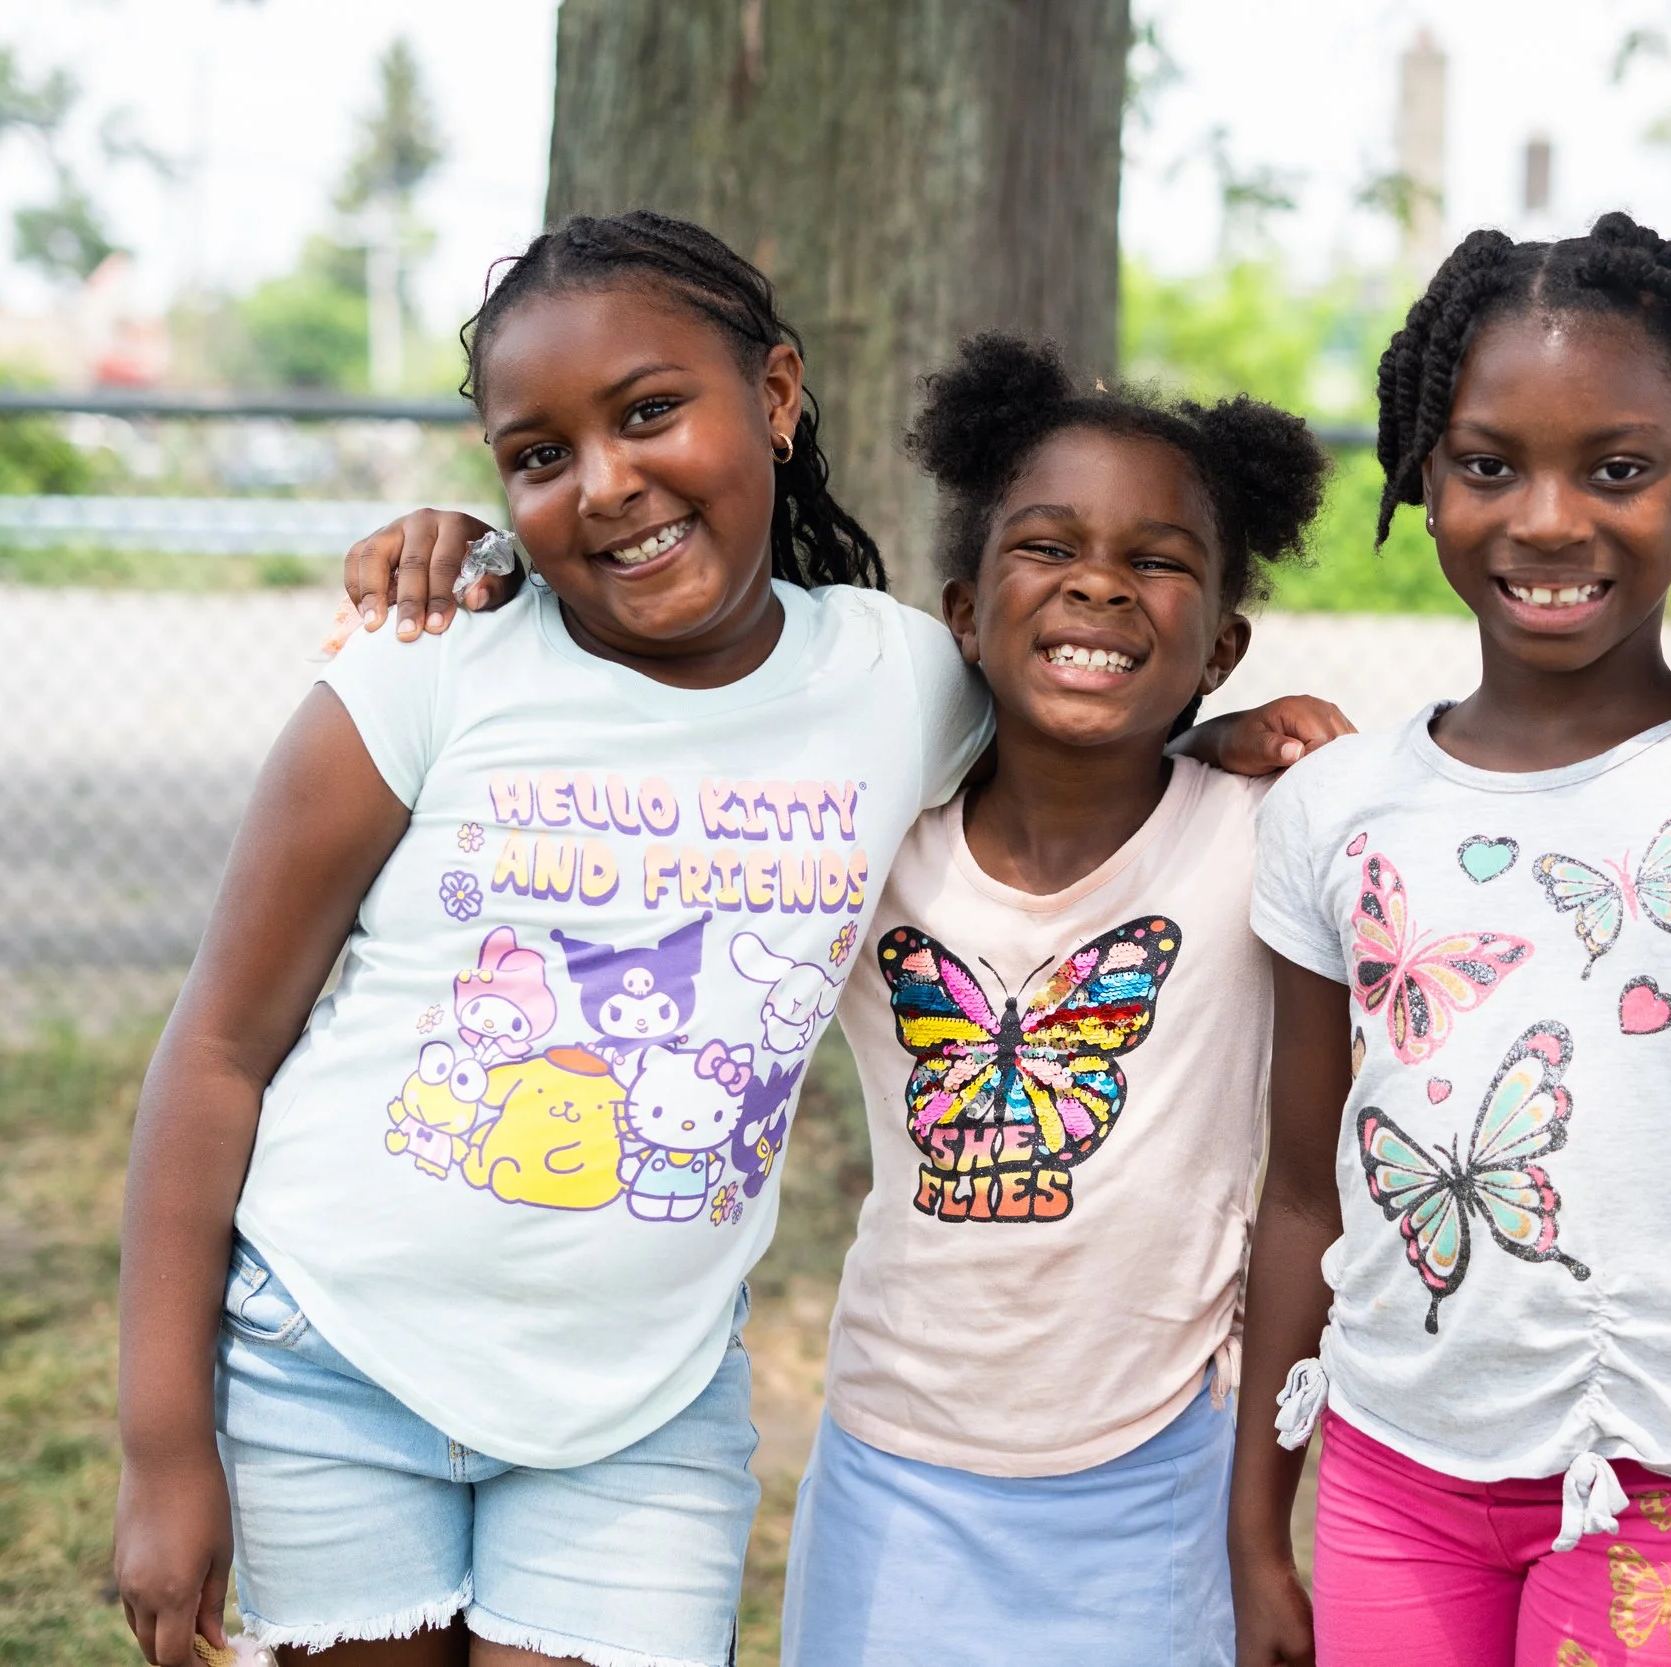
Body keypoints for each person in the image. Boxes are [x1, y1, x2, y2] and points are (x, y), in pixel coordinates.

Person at [332, 300, 1671, 1667]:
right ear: (960, 611)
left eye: (1158, 563)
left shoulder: (1278, 828)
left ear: (1223, 643)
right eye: (1047, 549)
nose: (1098, 589)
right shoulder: (871, 822)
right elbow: (672, 692)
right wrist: (472, 554)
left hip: (1159, 1479)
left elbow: (1492, 796)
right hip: (897, 1459)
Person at [109, 212, 1323, 1667]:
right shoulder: (429, 666)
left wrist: (1219, 740)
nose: (607, 482)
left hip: (643, 1407)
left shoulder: (893, 677)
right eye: (539, 455)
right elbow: (219, 1049)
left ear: (778, 396)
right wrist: (163, 1448)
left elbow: (1080, 686)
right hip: (336, 1362)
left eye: (648, 413)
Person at [1230, 214, 1671, 1667]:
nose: (1549, 519)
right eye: (1489, 463)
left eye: (1618, 469)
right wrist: (1255, 1524)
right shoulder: (1334, 810)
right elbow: (1302, 1195)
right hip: (1387, 1481)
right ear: (1423, 473)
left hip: (1657, 1498)